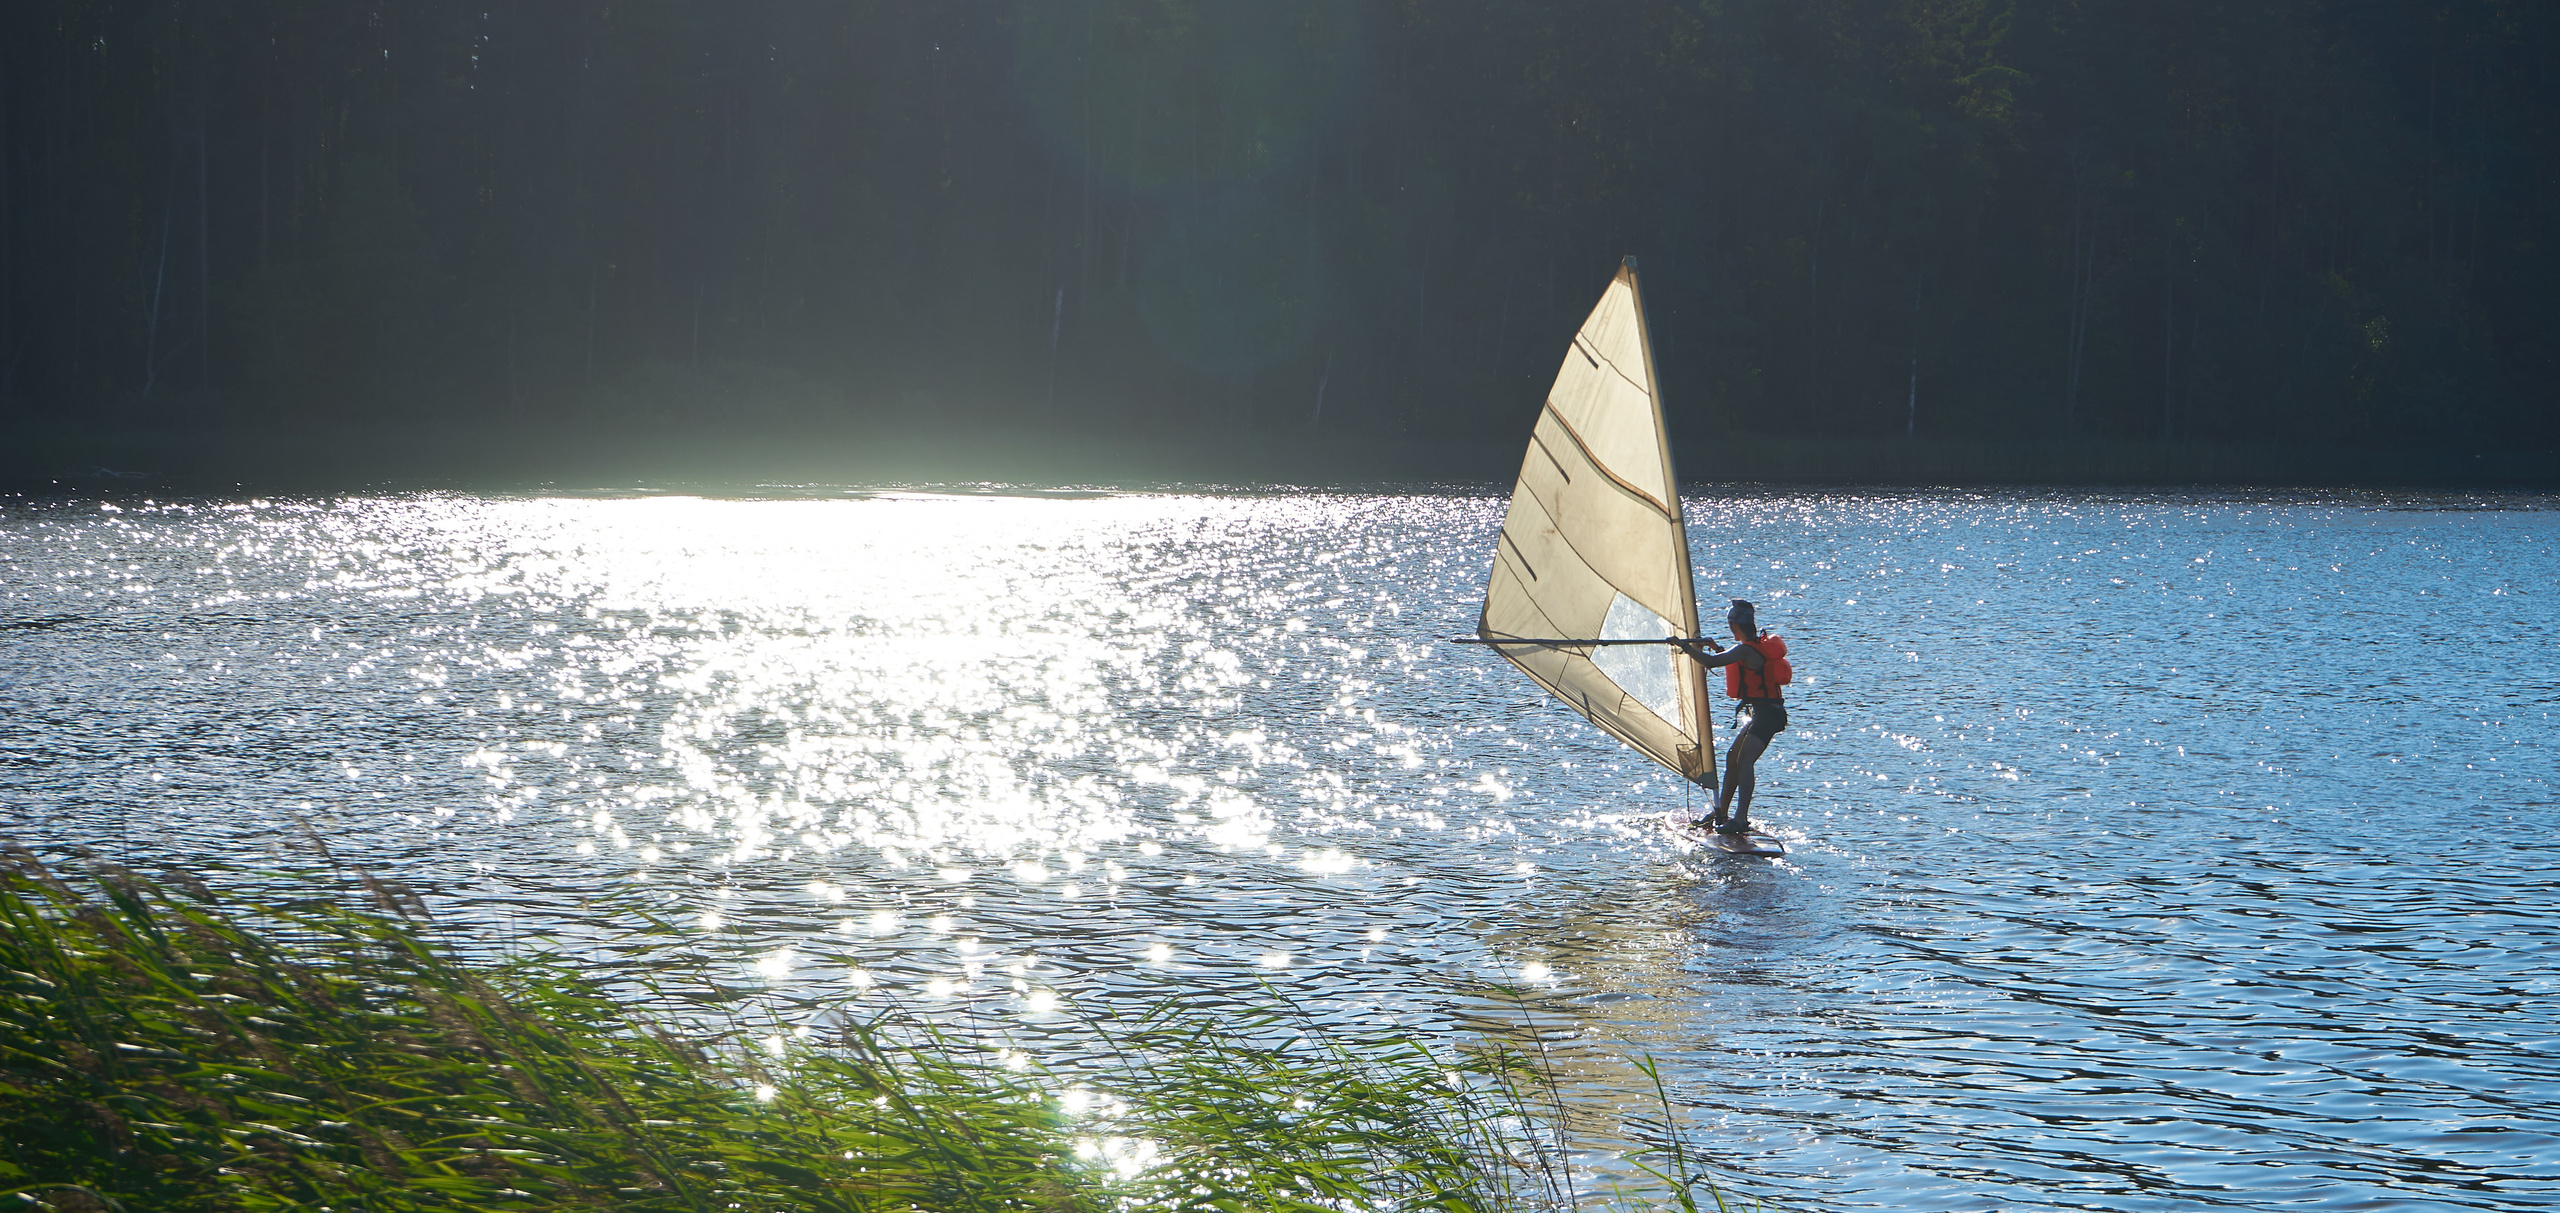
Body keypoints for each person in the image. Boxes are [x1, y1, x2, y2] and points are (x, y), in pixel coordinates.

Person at [1676, 599, 1789, 834]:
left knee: (1745, 761)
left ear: (1733, 625)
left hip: (1769, 715)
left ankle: (1741, 818)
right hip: (1762, 714)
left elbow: (1713, 662)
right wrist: (1716, 648)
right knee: (1732, 758)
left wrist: (1684, 647)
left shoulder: (1747, 648)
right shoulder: (1752, 646)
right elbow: (1730, 659)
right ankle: (1722, 813)